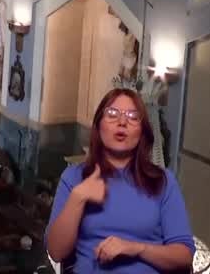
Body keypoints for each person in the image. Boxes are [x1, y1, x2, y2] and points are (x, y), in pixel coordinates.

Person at [46, 88, 194, 273]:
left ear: (142, 131)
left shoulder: (163, 181)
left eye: (133, 116)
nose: (122, 122)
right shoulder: (74, 177)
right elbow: (56, 252)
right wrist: (79, 196)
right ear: (99, 126)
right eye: (112, 114)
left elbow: (184, 255)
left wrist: (137, 248)